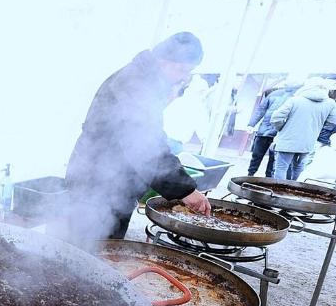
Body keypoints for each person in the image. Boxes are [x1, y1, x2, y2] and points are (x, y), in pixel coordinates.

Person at [50, 32, 212, 244]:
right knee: (93, 251)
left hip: (110, 183)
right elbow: (145, 147)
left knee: (98, 250)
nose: (183, 77)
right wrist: (186, 189)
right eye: (182, 69)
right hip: (97, 185)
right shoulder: (136, 82)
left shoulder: (143, 77)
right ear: (163, 61)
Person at [270, 77, 336, 181]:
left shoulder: (295, 99)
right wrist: (316, 130)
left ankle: (278, 193)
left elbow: (276, 118)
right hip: (308, 142)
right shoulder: (330, 103)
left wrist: (281, 128)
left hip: (287, 140)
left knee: (281, 168)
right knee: (299, 168)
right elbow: (332, 122)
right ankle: (296, 193)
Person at [244, 80, 299, 177]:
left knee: (270, 159)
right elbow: (261, 109)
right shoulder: (278, 94)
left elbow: (261, 110)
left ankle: (262, 177)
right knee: (260, 156)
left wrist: (252, 124)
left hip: (276, 132)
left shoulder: (296, 97)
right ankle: (251, 175)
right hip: (269, 132)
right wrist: (251, 124)